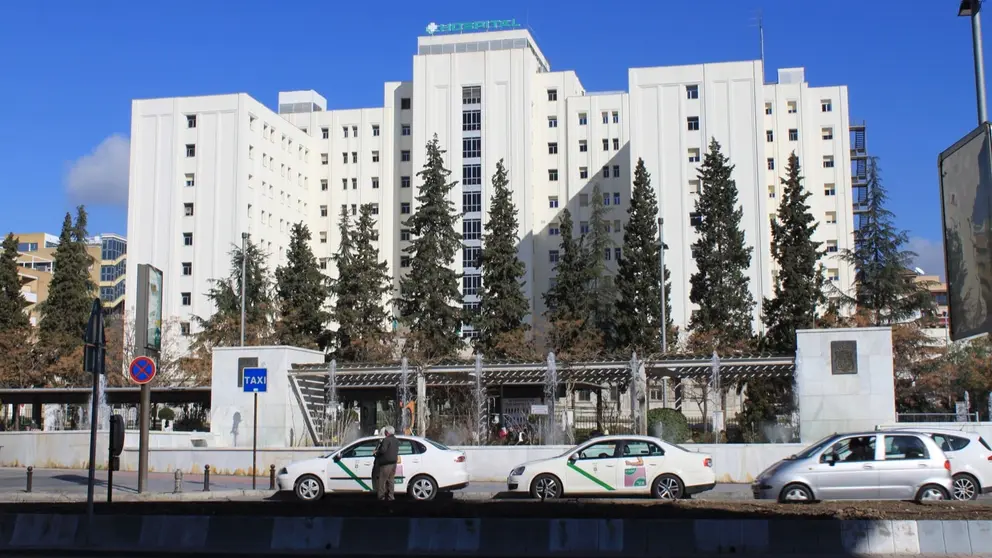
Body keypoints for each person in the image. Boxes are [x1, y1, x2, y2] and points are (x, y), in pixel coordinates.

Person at [373, 425, 399, 500]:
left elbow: (383, 450)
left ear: (387, 432)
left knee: (382, 481)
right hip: (394, 463)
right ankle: (391, 496)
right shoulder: (395, 440)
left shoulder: (386, 440)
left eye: (385, 431)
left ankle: (381, 496)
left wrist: (376, 452)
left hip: (386, 463)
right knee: (391, 480)